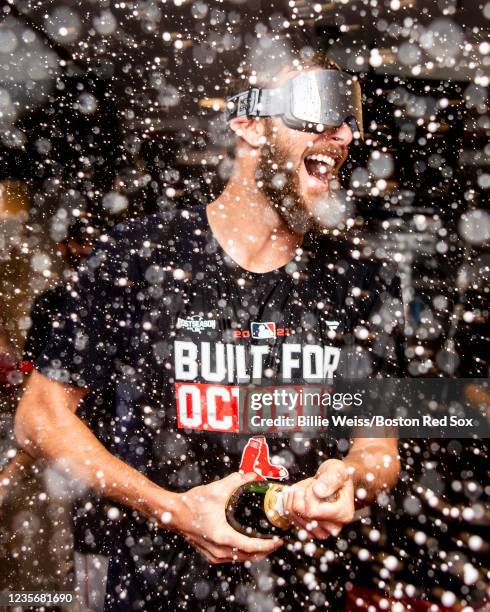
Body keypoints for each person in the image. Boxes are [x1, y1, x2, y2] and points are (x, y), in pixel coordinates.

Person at [15, 41, 404, 610]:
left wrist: (347, 480)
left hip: (303, 591)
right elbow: (39, 417)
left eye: (350, 117)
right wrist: (169, 509)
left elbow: (379, 449)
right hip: (158, 587)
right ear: (248, 124)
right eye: (319, 106)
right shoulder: (141, 254)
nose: (343, 134)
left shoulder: (361, 283)